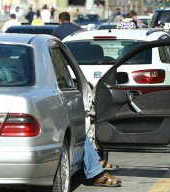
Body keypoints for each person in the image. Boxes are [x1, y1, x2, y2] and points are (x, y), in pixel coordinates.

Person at [52, 11, 122, 187]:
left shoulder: (56, 36)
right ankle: (95, 169)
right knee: (80, 132)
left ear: (60, 21)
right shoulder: (76, 31)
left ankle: (95, 164)